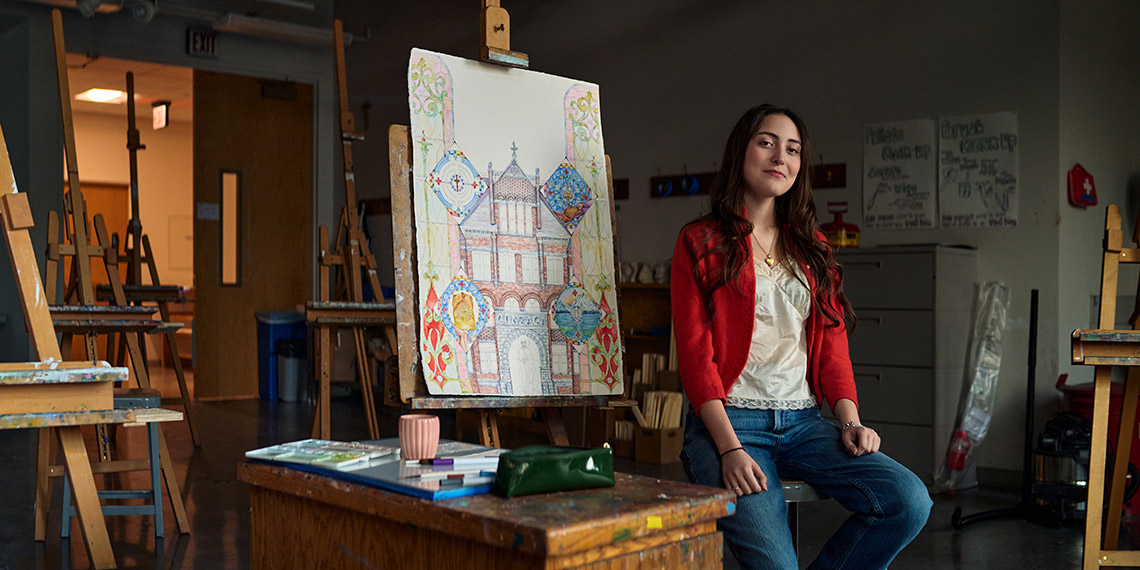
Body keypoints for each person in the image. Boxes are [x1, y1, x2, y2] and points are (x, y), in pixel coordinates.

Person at [670, 104, 931, 570]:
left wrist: (850, 422)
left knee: (908, 501)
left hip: (803, 424)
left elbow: (833, 346)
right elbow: (694, 356)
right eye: (766, 143)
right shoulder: (700, 240)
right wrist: (729, 448)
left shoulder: (813, 246)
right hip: (729, 425)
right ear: (741, 152)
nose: (780, 157)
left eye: (792, 150)